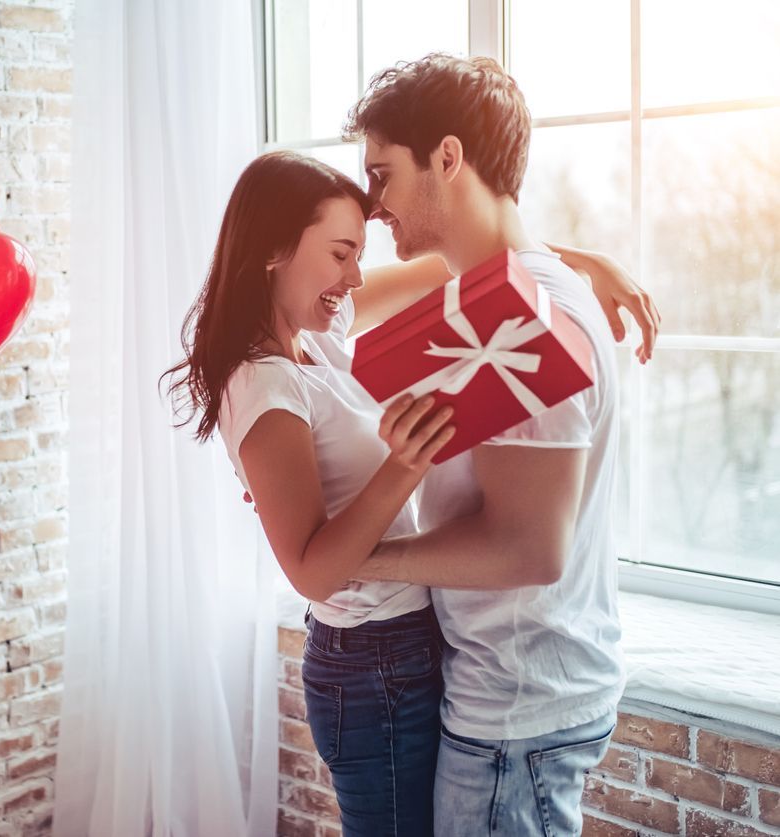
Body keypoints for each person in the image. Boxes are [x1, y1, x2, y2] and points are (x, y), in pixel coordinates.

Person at [162, 148, 657, 835]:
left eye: (358, 253)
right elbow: (311, 569)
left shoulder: (319, 333)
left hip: (408, 644)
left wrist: (582, 263)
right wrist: (406, 462)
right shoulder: (268, 386)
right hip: (368, 666)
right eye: (340, 254)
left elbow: (450, 262)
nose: (356, 276)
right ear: (275, 250)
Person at [341, 54, 653, 836]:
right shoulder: (507, 295)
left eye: (382, 174)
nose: (374, 208)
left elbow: (526, 547)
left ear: (447, 157)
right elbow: (334, 306)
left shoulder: (518, 326)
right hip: (522, 698)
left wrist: (353, 554)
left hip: (517, 715)